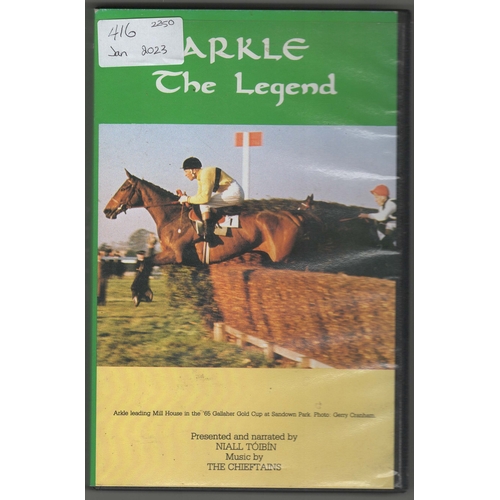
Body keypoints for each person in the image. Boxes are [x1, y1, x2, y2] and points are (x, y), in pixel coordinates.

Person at [177, 157, 244, 245]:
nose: (185, 174)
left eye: (186, 171)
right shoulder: (201, 177)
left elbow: (204, 199)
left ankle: (208, 234)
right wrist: (188, 199)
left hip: (234, 192)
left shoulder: (205, 174)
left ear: (193, 170)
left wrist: (187, 199)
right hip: (229, 192)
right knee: (203, 203)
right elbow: (199, 196)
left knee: (204, 204)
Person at [358, 184, 397, 249]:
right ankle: (386, 245)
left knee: (389, 224)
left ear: (383, 197)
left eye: (376, 197)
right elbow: (379, 217)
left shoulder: (391, 203)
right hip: (395, 225)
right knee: (380, 226)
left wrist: (367, 215)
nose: (375, 200)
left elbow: (382, 217)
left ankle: (389, 245)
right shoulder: (382, 207)